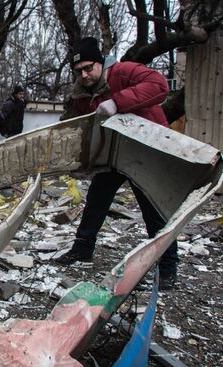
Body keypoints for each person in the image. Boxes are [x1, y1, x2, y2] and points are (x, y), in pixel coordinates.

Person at [55, 37, 178, 290]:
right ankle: (82, 250)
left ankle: (167, 270)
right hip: (114, 154)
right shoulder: (81, 95)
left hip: (146, 152)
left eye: (89, 68)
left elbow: (159, 86)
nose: (84, 75)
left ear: (101, 63)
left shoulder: (123, 71)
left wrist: (117, 102)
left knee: (153, 212)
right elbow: (85, 127)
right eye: (79, 71)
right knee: (96, 203)